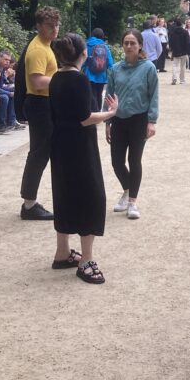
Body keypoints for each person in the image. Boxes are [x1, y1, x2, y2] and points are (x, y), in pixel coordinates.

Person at [48, 33, 119, 284]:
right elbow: (84, 117)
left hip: (59, 143)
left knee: (64, 192)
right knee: (91, 195)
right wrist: (110, 112)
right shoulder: (78, 80)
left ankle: (62, 251)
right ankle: (86, 259)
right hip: (80, 145)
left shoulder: (56, 78)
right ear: (83, 54)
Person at [105, 29, 159, 219]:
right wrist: (107, 121)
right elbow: (109, 96)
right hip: (119, 120)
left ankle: (132, 202)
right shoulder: (116, 69)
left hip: (139, 120)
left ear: (140, 45)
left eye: (132, 43)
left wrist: (152, 121)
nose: (129, 46)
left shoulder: (148, 68)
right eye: (126, 43)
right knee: (116, 162)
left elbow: (154, 95)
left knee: (134, 160)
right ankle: (127, 191)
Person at [19, 6, 61, 221]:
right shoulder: (37, 49)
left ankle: (30, 202)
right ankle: (29, 204)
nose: (55, 29)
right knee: (38, 154)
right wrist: (64, 80)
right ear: (38, 26)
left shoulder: (46, 45)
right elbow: (37, 81)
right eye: (49, 26)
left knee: (41, 153)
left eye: (56, 25)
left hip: (44, 103)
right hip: (39, 103)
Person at [0, 49, 24, 132]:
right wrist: (9, 93)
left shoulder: (1, 68)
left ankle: (12, 122)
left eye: (9, 60)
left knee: (14, 93)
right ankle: (1, 126)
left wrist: (12, 91)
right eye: (5, 59)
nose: (7, 62)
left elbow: (0, 86)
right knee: (4, 97)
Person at [82, 28, 114, 111]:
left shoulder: (87, 45)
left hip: (89, 75)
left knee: (91, 94)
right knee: (99, 95)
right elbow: (110, 63)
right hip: (102, 76)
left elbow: (83, 60)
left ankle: (92, 112)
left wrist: (83, 68)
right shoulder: (105, 47)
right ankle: (98, 112)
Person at [168, 16, 190, 84]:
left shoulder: (173, 32)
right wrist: (189, 52)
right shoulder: (185, 32)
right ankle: (182, 80)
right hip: (183, 51)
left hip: (176, 51)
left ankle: (174, 77)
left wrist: (171, 49)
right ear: (181, 24)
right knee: (182, 66)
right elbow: (187, 42)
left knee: (175, 65)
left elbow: (170, 41)